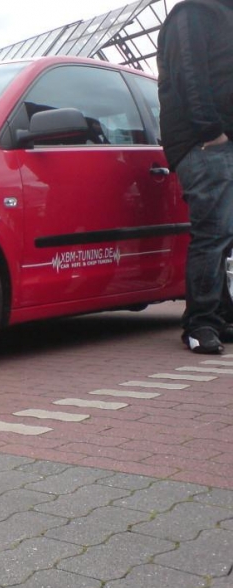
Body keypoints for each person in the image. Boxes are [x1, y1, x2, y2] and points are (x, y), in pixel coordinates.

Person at [158, 0, 233, 354]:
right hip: (204, 142)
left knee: (225, 235)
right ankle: (200, 323)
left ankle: (219, 316)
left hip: (220, 141)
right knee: (213, 233)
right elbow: (189, 73)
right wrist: (210, 131)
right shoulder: (193, 12)